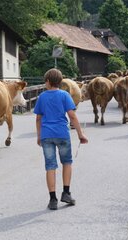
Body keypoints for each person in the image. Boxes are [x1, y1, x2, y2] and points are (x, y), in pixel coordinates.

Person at [34, 68, 88, 210]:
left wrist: (39, 136)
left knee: (50, 166)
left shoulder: (42, 97)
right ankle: (66, 193)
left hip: (46, 135)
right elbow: (72, 116)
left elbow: (38, 119)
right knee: (67, 163)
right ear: (59, 82)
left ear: (47, 81)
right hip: (62, 134)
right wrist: (80, 134)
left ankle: (52, 199)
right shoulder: (65, 95)